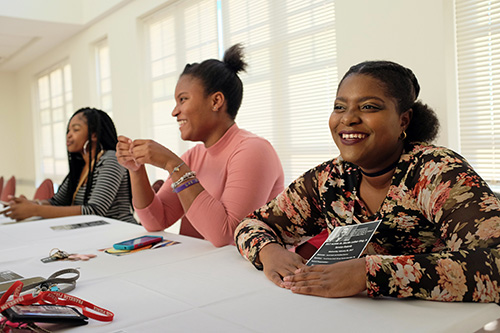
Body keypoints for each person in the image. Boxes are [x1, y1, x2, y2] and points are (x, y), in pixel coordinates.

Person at [234, 60, 500, 302]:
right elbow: (252, 223)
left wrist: (369, 274)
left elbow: (495, 263)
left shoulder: (435, 172)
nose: (348, 118)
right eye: (340, 107)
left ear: (403, 120)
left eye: (369, 107)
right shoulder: (329, 179)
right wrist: (269, 252)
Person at [116, 44, 284, 247]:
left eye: (183, 99)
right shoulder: (193, 156)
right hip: (203, 268)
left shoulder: (254, 150)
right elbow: (156, 221)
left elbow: (227, 235)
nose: (174, 112)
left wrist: (173, 165)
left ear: (216, 101)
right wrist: (136, 171)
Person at [2, 108, 136, 223]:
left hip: (121, 233)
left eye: (76, 130)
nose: (68, 135)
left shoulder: (111, 159)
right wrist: (31, 204)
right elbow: (56, 202)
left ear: (94, 135)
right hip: (94, 233)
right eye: (68, 130)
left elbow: (95, 211)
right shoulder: (82, 166)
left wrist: (35, 210)